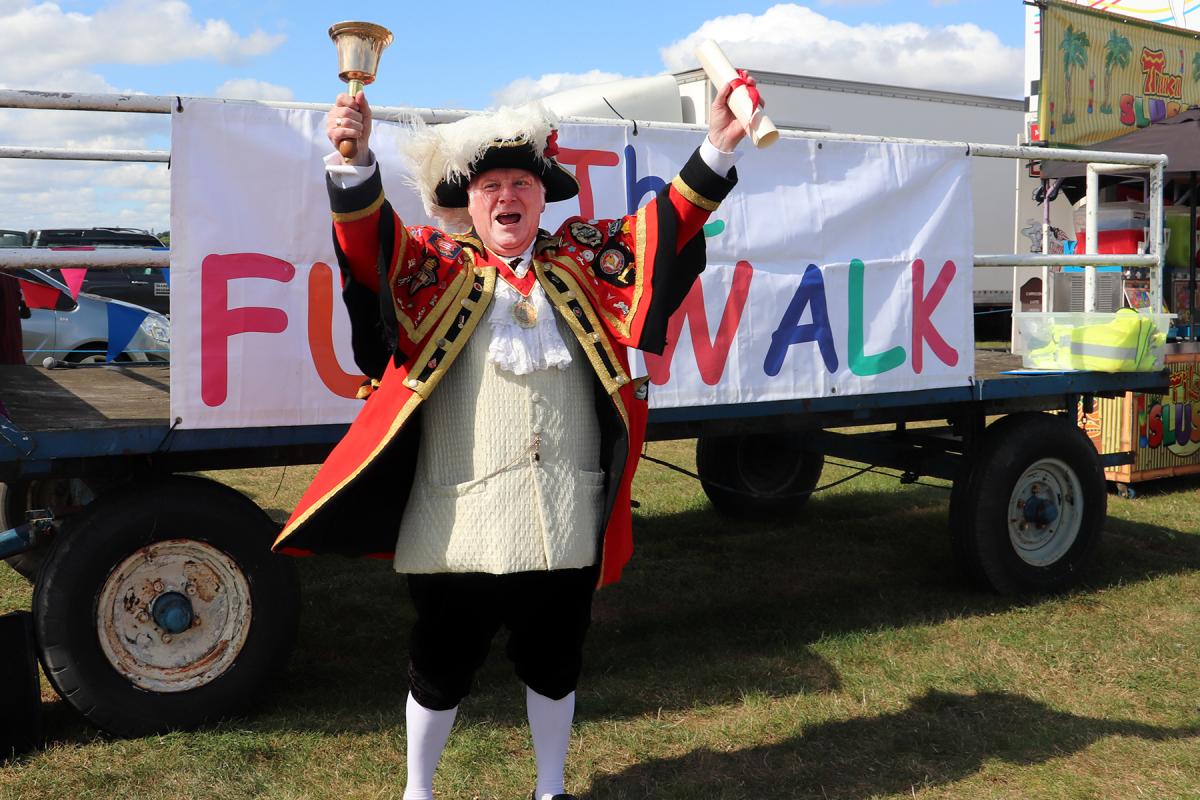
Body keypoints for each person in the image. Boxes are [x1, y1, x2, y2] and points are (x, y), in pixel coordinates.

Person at [274, 77, 753, 800]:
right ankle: (418, 790)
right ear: (467, 203)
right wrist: (354, 159)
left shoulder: (584, 264)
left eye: (521, 182)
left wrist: (716, 143)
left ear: (542, 196)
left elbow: (668, 226)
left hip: (563, 515)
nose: (507, 195)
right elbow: (368, 250)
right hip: (455, 519)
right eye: (491, 184)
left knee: (557, 660)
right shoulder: (434, 268)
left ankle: (551, 787)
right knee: (438, 665)